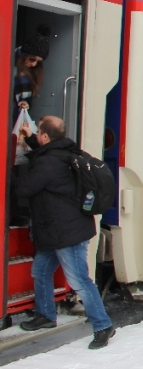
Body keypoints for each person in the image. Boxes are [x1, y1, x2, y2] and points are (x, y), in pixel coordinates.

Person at [15, 116, 115, 349]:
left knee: (79, 280)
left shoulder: (48, 163)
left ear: (46, 137)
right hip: (58, 229)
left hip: (65, 232)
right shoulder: (64, 151)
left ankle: (103, 325)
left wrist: (12, 165)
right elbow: (45, 156)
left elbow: (24, 188)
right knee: (40, 270)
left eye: (38, 132)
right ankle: (46, 316)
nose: (37, 135)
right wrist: (29, 138)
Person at [10, 26, 51, 227]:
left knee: (15, 168)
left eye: (37, 62)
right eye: (32, 59)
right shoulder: (13, 66)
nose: (33, 64)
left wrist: (24, 106)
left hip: (16, 122)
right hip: (12, 123)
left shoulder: (24, 70)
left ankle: (13, 211)